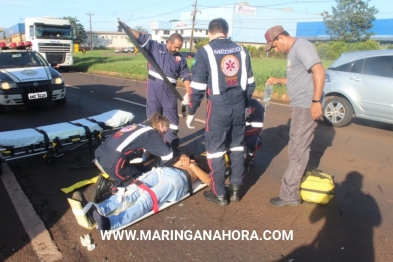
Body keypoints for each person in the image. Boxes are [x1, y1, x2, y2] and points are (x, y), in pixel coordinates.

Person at [186, 18, 256, 206]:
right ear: (226, 32)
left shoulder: (205, 51)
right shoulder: (242, 50)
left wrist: (191, 111)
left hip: (218, 108)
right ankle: (235, 190)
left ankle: (219, 194)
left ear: (210, 32)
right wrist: (244, 104)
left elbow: (198, 86)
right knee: (237, 147)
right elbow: (250, 83)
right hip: (239, 106)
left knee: (215, 151)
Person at [264, 25, 325, 207]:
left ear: (280, 37)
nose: (275, 50)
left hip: (306, 105)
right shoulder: (293, 52)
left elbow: (319, 71)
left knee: (297, 148)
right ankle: (292, 189)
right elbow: (298, 78)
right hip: (300, 104)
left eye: (274, 46)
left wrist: (315, 102)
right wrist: (278, 81)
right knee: (298, 146)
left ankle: (289, 195)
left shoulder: (302, 47)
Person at [72, 154, 210, 231]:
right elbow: (175, 159)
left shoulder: (211, 163)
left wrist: (193, 165)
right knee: (132, 190)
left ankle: (111, 223)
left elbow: (209, 181)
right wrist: (182, 158)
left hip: (178, 179)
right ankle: (99, 208)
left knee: (147, 198)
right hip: (164, 171)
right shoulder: (200, 152)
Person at [128, 28, 192, 148]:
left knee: (172, 123)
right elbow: (141, 37)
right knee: (153, 121)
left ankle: (171, 148)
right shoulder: (155, 48)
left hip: (169, 95)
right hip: (154, 93)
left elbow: (186, 76)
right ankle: (151, 148)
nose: (177, 50)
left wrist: (188, 93)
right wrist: (126, 27)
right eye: (175, 47)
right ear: (168, 43)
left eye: (180, 48)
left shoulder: (180, 59)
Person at [93, 113, 177, 201]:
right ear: (160, 125)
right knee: (143, 182)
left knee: (139, 170)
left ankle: (119, 181)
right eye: (164, 132)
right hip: (112, 163)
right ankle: (110, 186)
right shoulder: (151, 134)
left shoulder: (140, 125)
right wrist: (158, 169)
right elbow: (168, 155)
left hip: (100, 154)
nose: (163, 136)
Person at [244, 98, 265, 166]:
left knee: (254, 141)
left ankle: (250, 156)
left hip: (247, 133)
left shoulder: (256, 106)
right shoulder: (229, 101)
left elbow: (257, 128)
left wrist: (241, 133)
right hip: (232, 132)